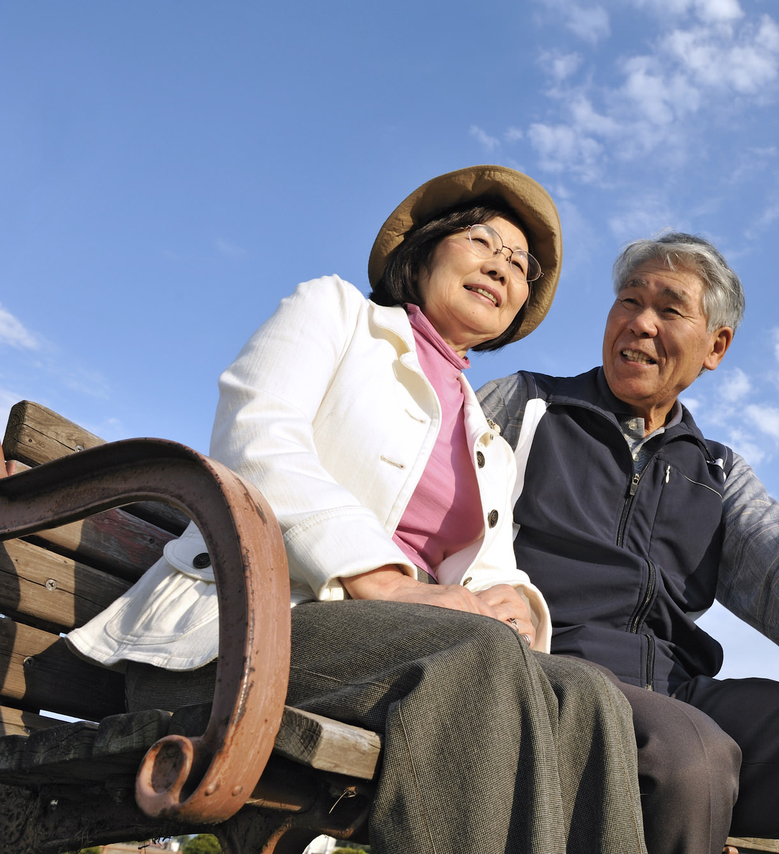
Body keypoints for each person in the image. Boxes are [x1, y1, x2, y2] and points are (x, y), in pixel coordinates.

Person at [68, 165, 648, 854]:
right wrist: (385, 581)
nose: (501, 266)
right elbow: (257, 439)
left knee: (588, 695)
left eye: (520, 264)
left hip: (404, 654)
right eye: (481, 241)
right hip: (241, 639)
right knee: (479, 656)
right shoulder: (335, 311)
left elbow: (492, 569)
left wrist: (517, 603)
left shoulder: (487, 440)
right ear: (424, 251)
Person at [478, 232, 779, 854]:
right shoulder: (526, 406)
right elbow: (430, 518)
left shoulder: (716, 471)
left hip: (673, 698)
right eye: (629, 300)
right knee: (692, 753)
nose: (640, 322)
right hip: (543, 680)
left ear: (716, 347)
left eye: (670, 309)